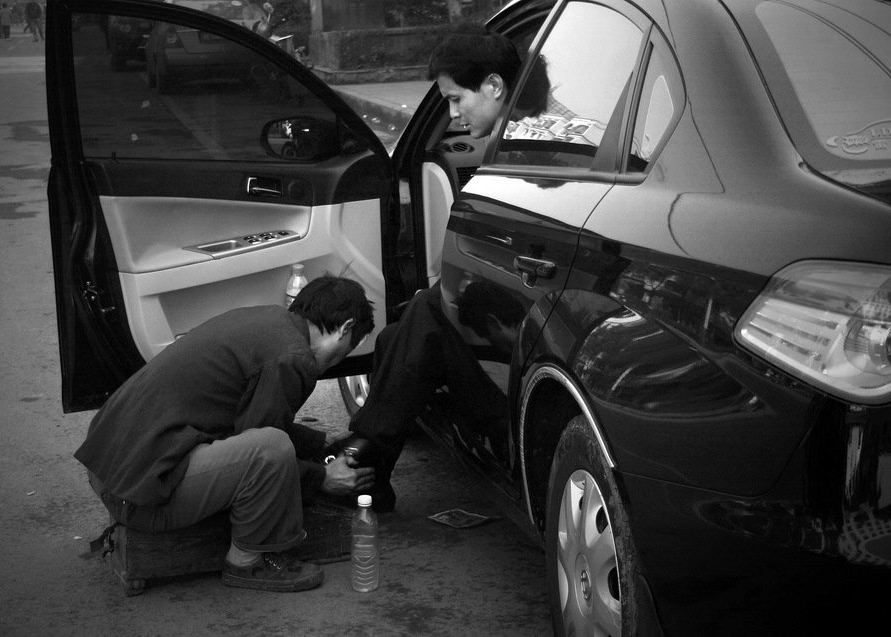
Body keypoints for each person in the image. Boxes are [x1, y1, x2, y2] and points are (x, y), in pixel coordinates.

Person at [335, 30, 544, 512]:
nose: (451, 115)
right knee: (405, 328)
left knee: (426, 313)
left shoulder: (523, 157)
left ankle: (365, 458)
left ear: (494, 86)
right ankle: (368, 460)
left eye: (455, 99)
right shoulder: (542, 137)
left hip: (525, 374)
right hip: (519, 348)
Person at [75, 276, 377, 592]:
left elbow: (244, 418)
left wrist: (319, 442)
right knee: (272, 449)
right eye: (345, 350)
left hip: (109, 470)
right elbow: (263, 447)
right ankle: (247, 562)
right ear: (345, 328)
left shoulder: (267, 323)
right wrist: (322, 478)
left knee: (270, 446)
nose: (337, 361)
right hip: (138, 496)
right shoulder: (293, 358)